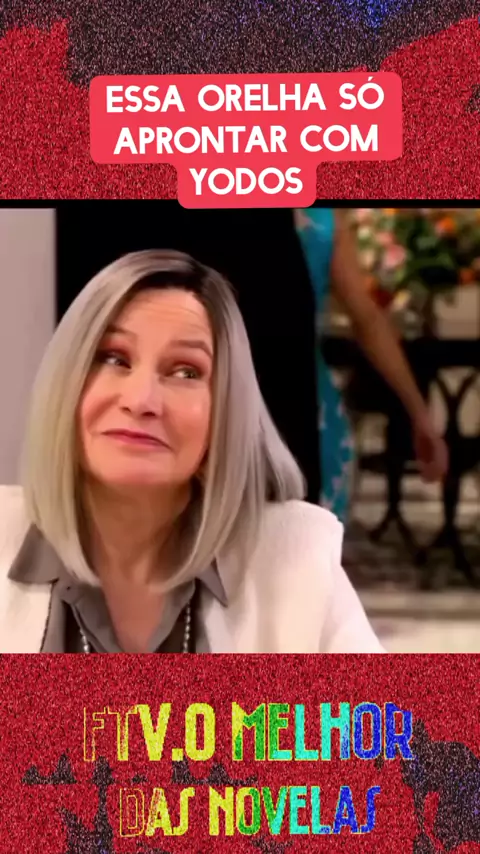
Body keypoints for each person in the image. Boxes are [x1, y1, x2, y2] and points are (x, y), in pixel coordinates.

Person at [0, 250, 383, 654]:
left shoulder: (296, 558)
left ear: (226, 415)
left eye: (186, 371)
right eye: (114, 358)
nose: (141, 400)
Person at [295, 207, 449, 521]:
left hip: (310, 406)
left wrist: (419, 413)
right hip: (244, 397)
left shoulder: (323, 219)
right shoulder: (322, 219)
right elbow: (367, 319)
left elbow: (368, 319)